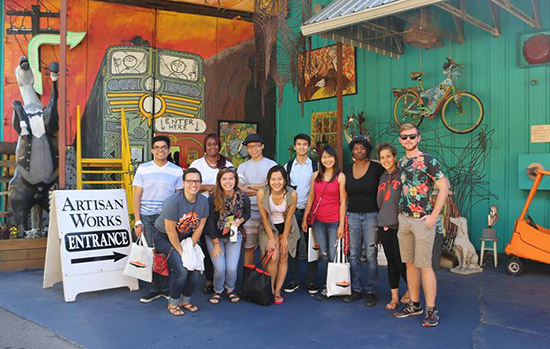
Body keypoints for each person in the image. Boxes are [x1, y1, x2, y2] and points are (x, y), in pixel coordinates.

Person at [393, 123, 448, 327]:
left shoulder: (428, 160)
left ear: (419, 138)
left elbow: (443, 187)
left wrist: (434, 215)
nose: (408, 140)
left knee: (425, 265)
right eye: (404, 137)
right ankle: (415, 304)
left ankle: (431, 309)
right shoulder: (402, 161)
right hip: (404, 218)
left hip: (423, 220)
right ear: (400, 140)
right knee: (409, 263)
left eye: (412, 136)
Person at [133, 135, 183, 303]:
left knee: (167, 251)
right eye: (157, 147)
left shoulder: (177, 170)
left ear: (169, 150)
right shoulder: (143, 168)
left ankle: (165, 288)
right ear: (152, 150)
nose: (160, 150)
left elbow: (178, 198)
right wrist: (137, 220)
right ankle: (154, 289)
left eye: (164, 147)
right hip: (147, 216)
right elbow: (137, 196)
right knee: (153, 253)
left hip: (166, 218)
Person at [153, 168, 209, 316]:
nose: (193, 184)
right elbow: (170, 231)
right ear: (183, 183)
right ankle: (173, 303)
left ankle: (186, 300)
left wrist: (191, 246)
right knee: (182, 270)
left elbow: (201, 226)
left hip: (187, 238)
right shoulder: (173, 201)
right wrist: (182, 252)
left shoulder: (203, 201)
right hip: (164, 236)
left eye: (196, 181)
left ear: (200, 183)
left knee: (195, 269)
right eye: (189, 181)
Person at [343, 136, 385, 306]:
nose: (359, 150)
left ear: (367, 150)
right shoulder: (346, 170)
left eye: (362, 148)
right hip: (352, 215)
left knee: (370, 254)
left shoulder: (376, 168)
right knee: (353, 254)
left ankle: (371, 291)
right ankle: (356, 289)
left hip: (371, 216)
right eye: (356, 148)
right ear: (352, 151)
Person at [190, 133, 233, 294]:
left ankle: (227, 281)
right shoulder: (198, 164)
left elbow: (233, 184)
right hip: (202, 211)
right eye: (209, 144)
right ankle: (210, 279)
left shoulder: (226, 164)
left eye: (215, 144)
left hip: (225, 212)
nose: (212, 147)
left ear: (219, 145)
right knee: (206, 245)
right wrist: (208, 187)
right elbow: (191, 184)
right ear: (204, 147)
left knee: (227, 242)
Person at [301, 146, 346, 301]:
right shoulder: (315, 176)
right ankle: (329, 285)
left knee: (334, 255)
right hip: (318, 221)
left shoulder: (340, 177)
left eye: (330, 157)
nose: (327, 160)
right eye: (324, 157)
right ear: (320, 159)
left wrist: (341, 225)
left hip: (334, 221)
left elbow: (343, 201)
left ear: (335, 158)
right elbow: (311, 197)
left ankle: (333, 287)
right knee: (324, 255)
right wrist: (305, 217)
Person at [205, 166, 250, 304]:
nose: (228, 182)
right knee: (220, 268)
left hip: (233, 235)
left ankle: (230, 289)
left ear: (235, 180)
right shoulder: (213, 197)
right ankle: (217, 290)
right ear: (219, 180)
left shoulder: (242, 196)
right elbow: (210, 222)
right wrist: (216, 244)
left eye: (231, 178)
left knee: (231, 268)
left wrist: (240, 220)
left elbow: (247, 214)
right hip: (215, 237)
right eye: (224, 179)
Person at [257, 166, 301, 304]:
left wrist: (284, 238)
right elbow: (264, 218)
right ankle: (269, 289)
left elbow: (289, 218)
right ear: (269, 180)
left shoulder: (291, 194)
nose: (276, 182)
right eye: (273, 179)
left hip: (286, 227)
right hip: (269, 227)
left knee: (283, 255)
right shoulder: (262, 193)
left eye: (280, 179)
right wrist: (271, 238)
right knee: (273, 256)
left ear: (285, 180)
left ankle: (277, 290)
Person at [284, 134, 319, 294]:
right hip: (293, 212)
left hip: (311, 212)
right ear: (294, 146)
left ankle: (311, 281)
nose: (302, 147)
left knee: (312, 247)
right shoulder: (288, 166)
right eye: (299, 144)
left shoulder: (316, 166)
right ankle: (293, 279)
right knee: (294, 247)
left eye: (305, 144)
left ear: (309, 146)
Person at [376, 142, 409, 310]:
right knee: (391, 262)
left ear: (395, 157)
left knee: (400, 261)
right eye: (382, 157)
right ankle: (394, 297)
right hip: (384, 225)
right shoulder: (382, 177)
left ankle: (412, 290)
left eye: (388, 156)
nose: (385, 160)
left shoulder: (402, 175)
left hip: (399, 225)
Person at [237, 134, 277, 265]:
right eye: (250, 147)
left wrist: (249, 187)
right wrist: (261, 188)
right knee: (249, 247)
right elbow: (239, 188)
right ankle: (249, 280)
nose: (253, 149)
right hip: (249, 211)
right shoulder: (243, 167)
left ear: (262, 146)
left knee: (267, 247)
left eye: (256, 146)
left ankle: (264, 281)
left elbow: (272, 186)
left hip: (268, 210)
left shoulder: (271, 165)